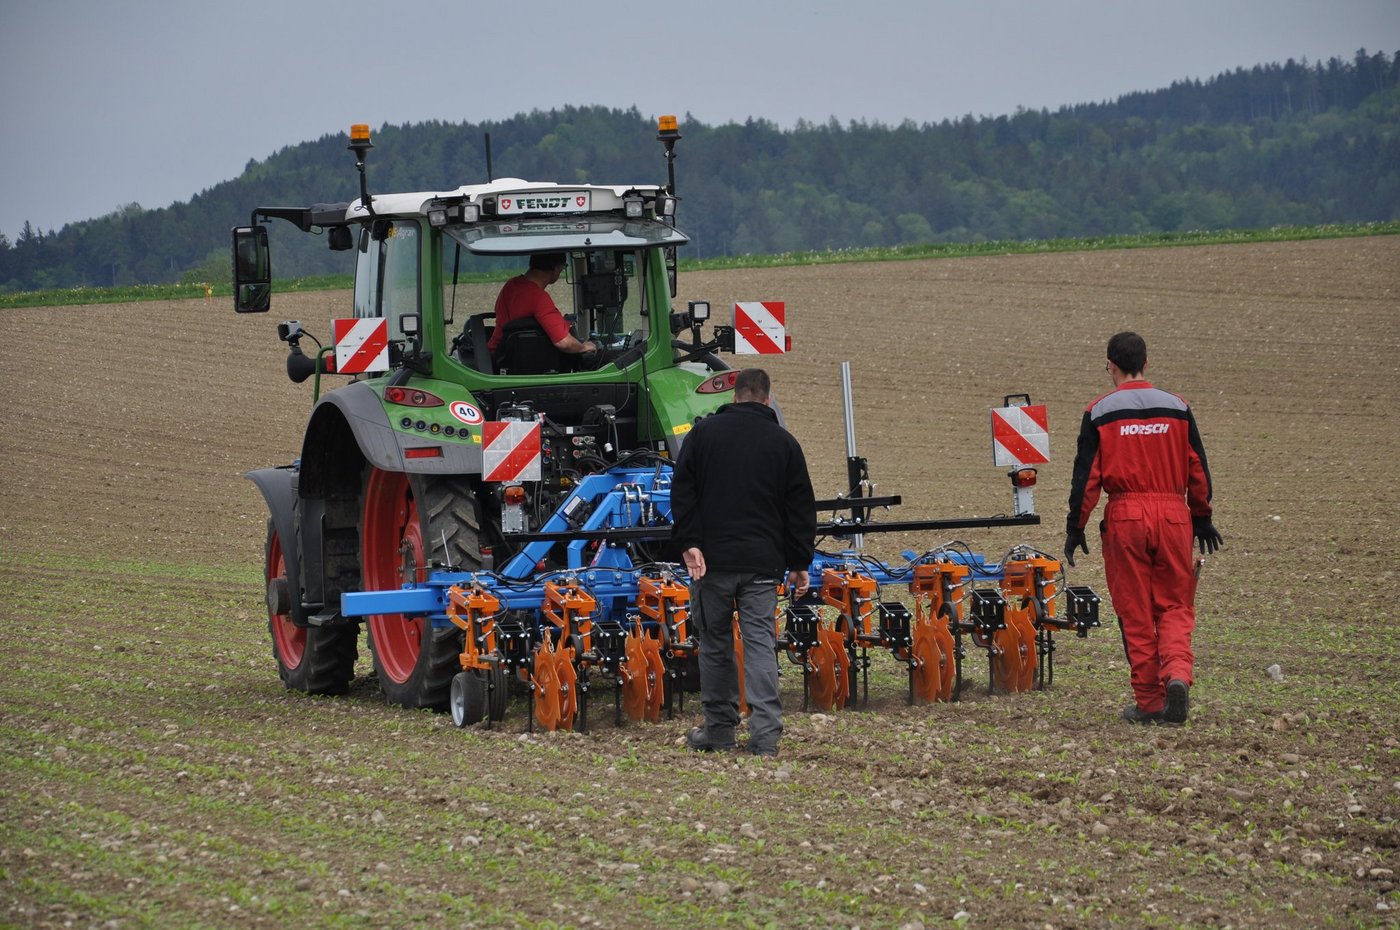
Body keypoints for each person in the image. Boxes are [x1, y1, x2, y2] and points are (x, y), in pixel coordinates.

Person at [1065, 332, 1223, 726]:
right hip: (1173, 516)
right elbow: (1197, 467)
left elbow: (1087, 478)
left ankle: (1151, 703)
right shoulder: (1178, 407)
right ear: (1146, 364)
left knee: (1135, 612)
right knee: (1174, 605)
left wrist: (1076, 526)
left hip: (1127, 517)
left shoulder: (1099, 412)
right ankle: (1178, 676)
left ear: (1110, 365)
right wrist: (1201, 517)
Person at [670, 368, 817, 757]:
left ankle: (719, 732)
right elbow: (800, 508)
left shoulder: (702, 435)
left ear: (735, 397)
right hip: (762, 566)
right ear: (767, 399)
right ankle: (765, 737)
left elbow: (682, 491)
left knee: (715, 645)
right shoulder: (784, 443)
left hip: (711, 564)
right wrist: (799, 561)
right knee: (759, 646)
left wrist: (690, 543)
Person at [486, 252, 597, 360]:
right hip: (514, 359)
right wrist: (584, 347)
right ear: (556, 269)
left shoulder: (510, 285)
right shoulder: (539, 298)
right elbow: (564, 343)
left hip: (497, 355)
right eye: (563, 268)